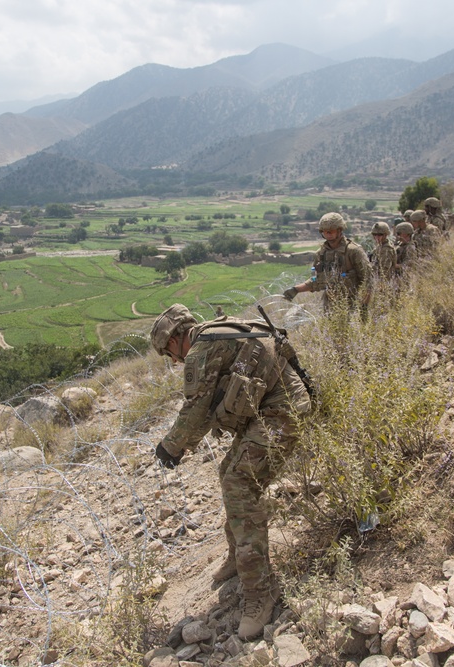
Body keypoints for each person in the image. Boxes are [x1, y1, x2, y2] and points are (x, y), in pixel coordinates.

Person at [150, 304, 312, 640]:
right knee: (230, 471)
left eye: (169, 352)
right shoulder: (219, 329)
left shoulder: (200, 351)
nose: (174, 360)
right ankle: (239, 557)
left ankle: (260, 592)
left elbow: (195, 409)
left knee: (239, 483)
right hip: (273, 405)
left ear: (178, 337)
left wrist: (171, 447)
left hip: (281, 412)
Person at [283, 212, 371, 310]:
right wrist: (296, 289)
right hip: (329, 306)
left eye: (331, 231)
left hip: (352, 305)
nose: (328, 234)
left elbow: (369, 279)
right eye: (325, 231)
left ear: (339, 230)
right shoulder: (321, 254)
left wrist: (364, 306)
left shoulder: (353, 251)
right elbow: (315, 280)